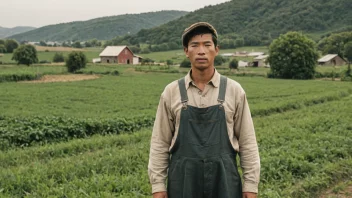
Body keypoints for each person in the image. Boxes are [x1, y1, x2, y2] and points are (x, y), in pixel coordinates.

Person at [148, 22, 260, 198]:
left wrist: (251, 185)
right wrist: (158, 186)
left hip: (224, 182)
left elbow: (248, 141)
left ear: (216, 49)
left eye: (207, 45)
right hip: (183, 183)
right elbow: (160, 142)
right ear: (186, 51)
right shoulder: (171, 92)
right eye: (194, 45)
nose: (201, 51)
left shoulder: (234, 90)